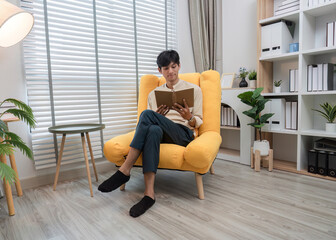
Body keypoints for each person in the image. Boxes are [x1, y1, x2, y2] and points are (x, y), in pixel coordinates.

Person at [98, 50, 203, 217]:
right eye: (165, 68)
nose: (170, 71)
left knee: (147, 115)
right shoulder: (153, 94)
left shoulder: (194, 89)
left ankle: (125, 169)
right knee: (153, 128)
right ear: (159, 70)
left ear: (179, 66)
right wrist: (157, 117)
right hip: (161, 133)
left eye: (173, 67)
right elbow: (149, 125)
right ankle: (149, 195)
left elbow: (199, 120)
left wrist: (189, 117)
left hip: (183, 134)